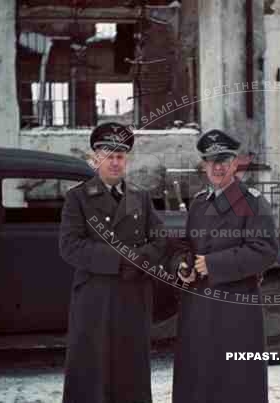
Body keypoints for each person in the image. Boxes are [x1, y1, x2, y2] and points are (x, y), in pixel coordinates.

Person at [59, 122, 171, 403]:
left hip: (133, 295)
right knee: (92, 365)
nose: (114, 162)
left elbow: (160, 240)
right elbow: (70, 247)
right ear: (96, 158)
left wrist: (139, 259)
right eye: (108, 155)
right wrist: (122, 259)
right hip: (95, 295)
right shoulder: (78, 198)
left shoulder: (139, 197)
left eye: (120, 156)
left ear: (127, 160)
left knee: (130, 365)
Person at [171, 129, 279, 403]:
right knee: (198, 379)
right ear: (204, 165)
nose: (217, 167)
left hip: (235, 309)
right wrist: (184, 265)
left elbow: (265, 250)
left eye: (224, 160)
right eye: (211, 161)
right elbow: (187, 246)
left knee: (234, 382)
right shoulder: (198, 203)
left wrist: (214, 264)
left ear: (235, 164)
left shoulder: (252, 202)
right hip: (198, 308)